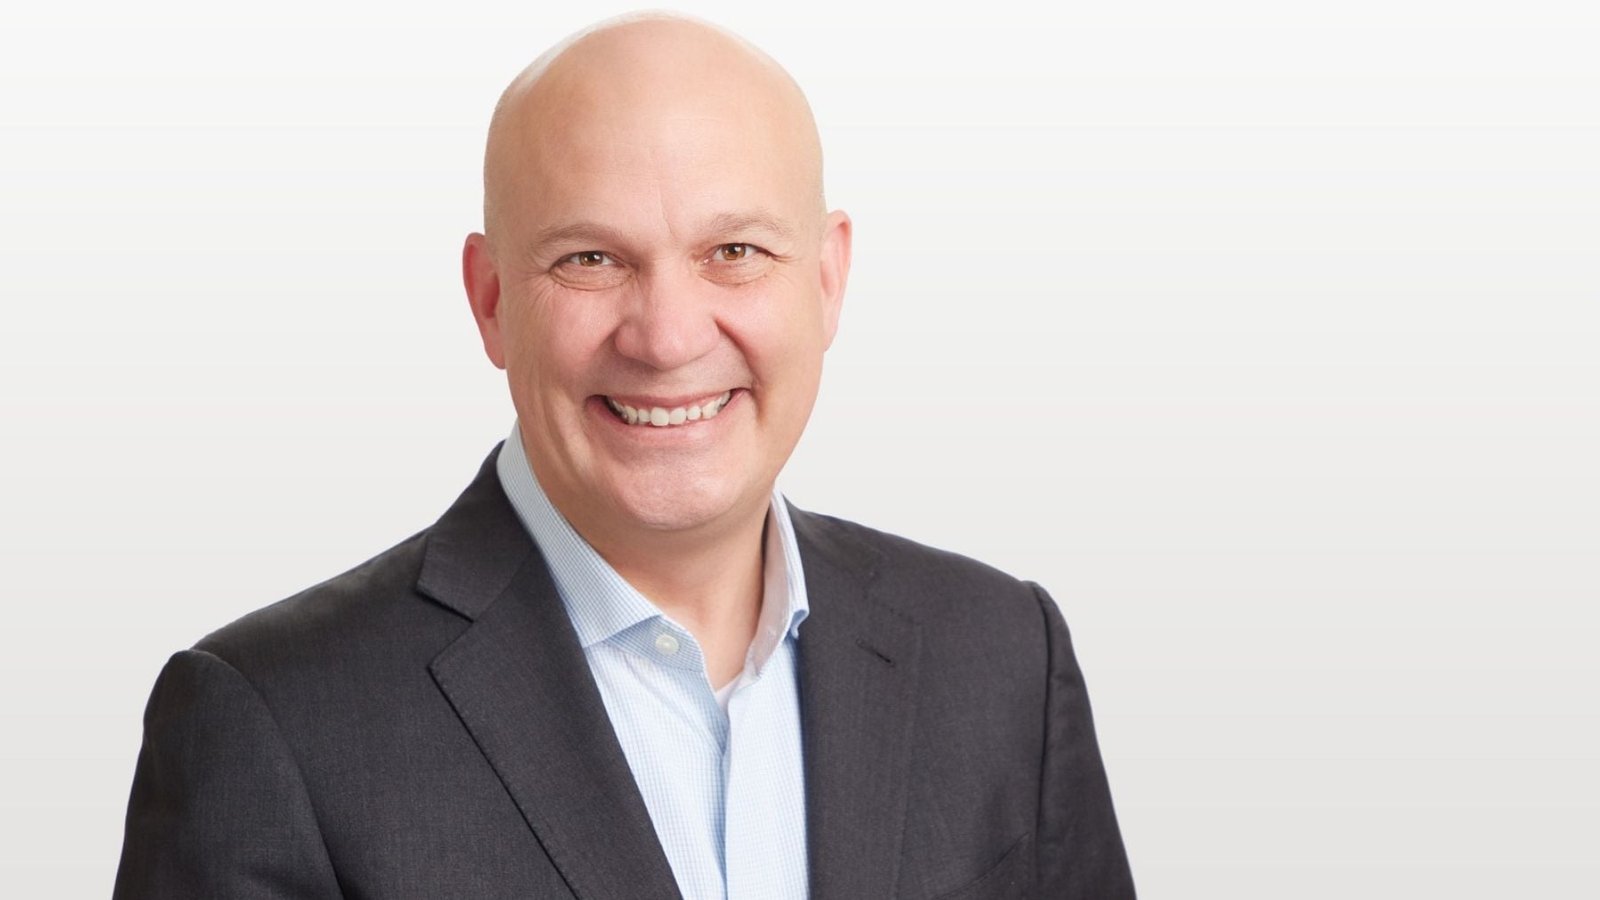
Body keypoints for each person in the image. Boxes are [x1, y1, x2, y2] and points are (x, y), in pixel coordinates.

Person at [112, 12, 1134, 900]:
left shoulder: (1002, 656)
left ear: (827, 282)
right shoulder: (272, 726)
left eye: (735, 251)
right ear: (491, 301)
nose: (668, 336)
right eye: (591, 259)